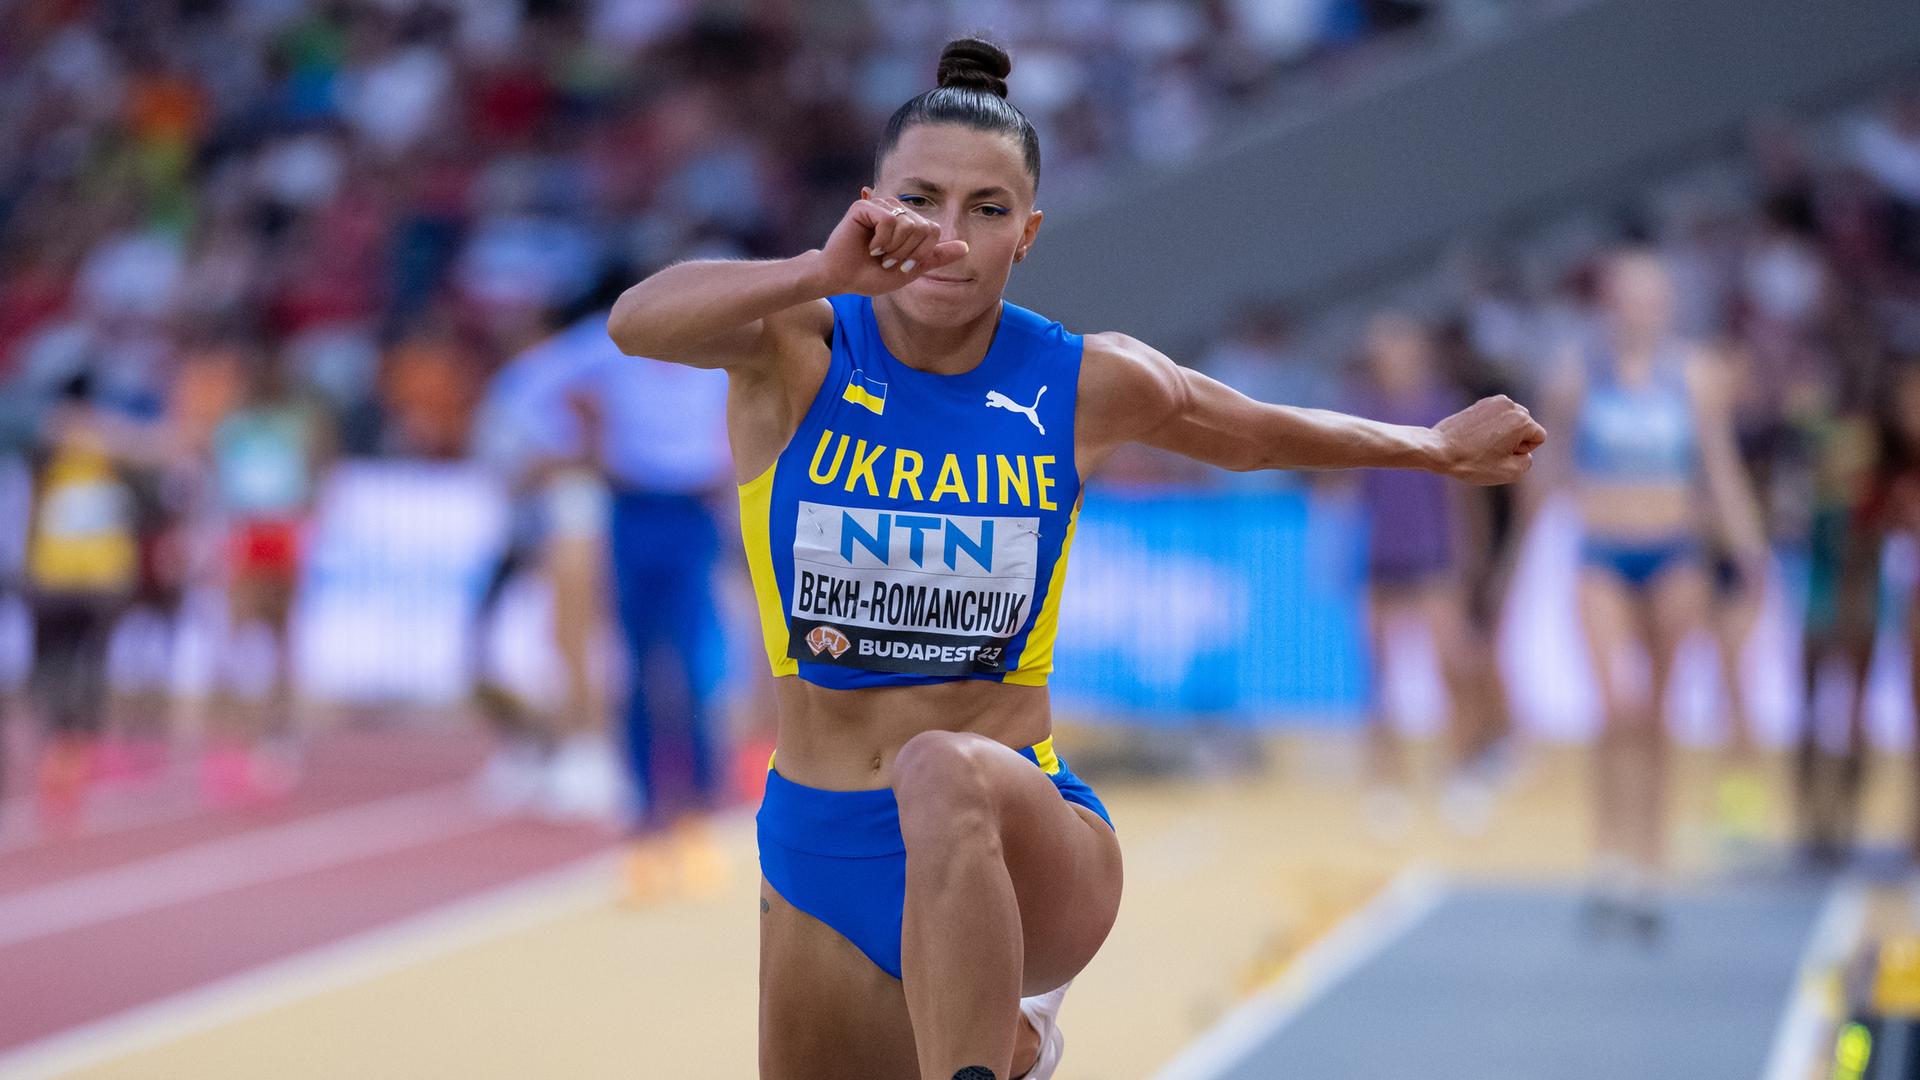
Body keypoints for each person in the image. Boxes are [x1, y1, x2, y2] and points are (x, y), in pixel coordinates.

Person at [607, 38, 1542, 1080]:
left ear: (1030, 235)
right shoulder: (799, 348)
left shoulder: (1080, 381)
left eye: (989, 210)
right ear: (874, 202)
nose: (950, 237)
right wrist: (821, 270)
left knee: (941, 769)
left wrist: (1431, 449)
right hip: (817, 843)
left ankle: (1013, 1020)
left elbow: (1255, 434)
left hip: (1020, 838)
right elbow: (635, 322)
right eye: (922, 198)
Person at [1542, 249, 1766, 940]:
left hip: (1674, 552)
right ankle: (1607, 857)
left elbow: (1718, 464)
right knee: (1616, 708)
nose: (1640, 308)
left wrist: (1749, 546)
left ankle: (1650, 862)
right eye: (1628, 296)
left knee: (1661, 714)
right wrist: (1512, 554)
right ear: (1608, 303)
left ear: (1668, 304)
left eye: (1653, 296)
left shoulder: (1694, 374)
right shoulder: (1576, 374)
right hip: (1602, 553)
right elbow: (1545, 466)